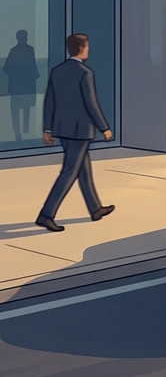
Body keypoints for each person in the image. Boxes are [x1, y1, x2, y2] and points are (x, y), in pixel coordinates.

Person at [36, 34, 115, 232]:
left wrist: (48, 129)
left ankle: (95, 209)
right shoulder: (85, 72)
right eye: (87, 46)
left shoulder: (57, 71)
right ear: (82, 48)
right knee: (70, 171)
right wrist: (104, 127)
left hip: (62, 129)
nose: (88, 49)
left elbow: (50, 101)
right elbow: (91, 104)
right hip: (80, 130)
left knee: (84, 169)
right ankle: (46, 214)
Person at [3, 29, 39, 141]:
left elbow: (33, 67)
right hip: (18, 86)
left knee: (25, 109)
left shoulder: (29, 50)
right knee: (16, 110)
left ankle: (26, 131)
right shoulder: (14, 51)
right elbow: (6, 68)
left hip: (25, 86)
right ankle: (17, 133)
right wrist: (18, 74)